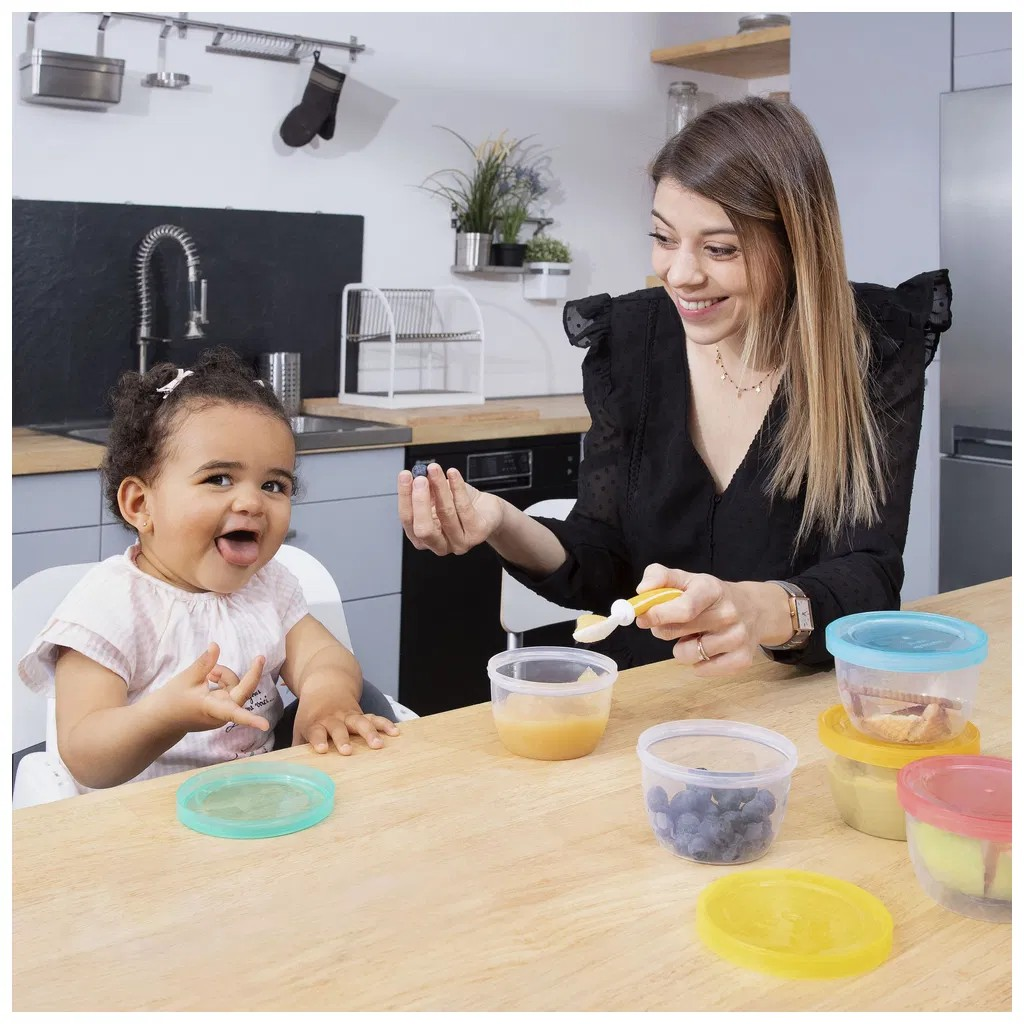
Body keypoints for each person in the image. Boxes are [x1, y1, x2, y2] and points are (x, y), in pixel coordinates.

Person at [398, 97, 951, 675]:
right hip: (649, 697)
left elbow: (869, 575)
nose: (680, 274)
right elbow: (603, 562)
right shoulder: (631, 342)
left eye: (720, 249)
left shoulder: (874, 346)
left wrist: (756, 610)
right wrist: (502, 521)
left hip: (788, 698)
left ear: (794, 247)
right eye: (664, 238)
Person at [19, 348, 399, 791]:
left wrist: (325, 698)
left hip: (255, 804)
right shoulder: (110, 605)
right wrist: (167, 716)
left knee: (365, 697)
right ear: (141, 505)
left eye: (273, 485)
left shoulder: (267, 586)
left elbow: (322, 656)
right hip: (140, 828)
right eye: (218, 478)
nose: (252, 502)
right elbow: (87, 756)